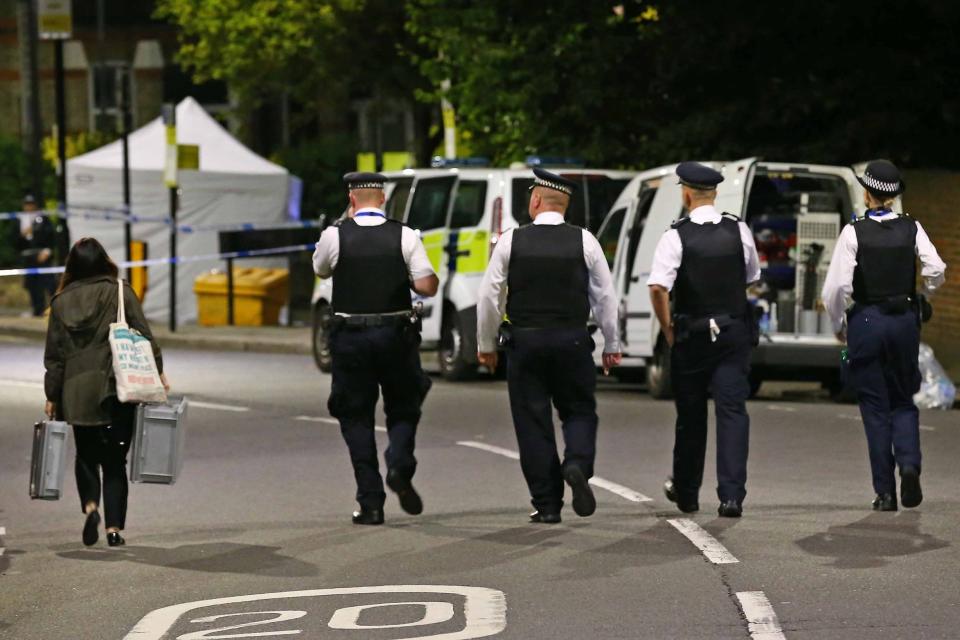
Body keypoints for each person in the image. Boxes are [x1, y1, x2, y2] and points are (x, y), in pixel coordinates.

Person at [477, 168, 622, 524]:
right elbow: (605, 297)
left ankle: (547, 504)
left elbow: (489, 296)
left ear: (536, 200)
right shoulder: (585, 241)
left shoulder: (511, 240)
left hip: (525, 342)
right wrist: (611, 343)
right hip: (572, 339)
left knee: (532, 421)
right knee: (579, 411)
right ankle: (576, 464)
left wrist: (486, 343)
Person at [313, 172, 439, 525]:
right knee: (404, 404)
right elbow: (426, 285)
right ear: (383, 199)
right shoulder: (405, 235)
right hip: (395, 334)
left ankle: (370, 502)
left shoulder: (334, 235)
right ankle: (399, 464)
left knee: (355, 416)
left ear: (352, 200)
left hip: (350, 337)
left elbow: (321, 270)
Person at [821, 160, 946, 512]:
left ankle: (886, 493)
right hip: (904, 319)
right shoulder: (912, 228)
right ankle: (909, 462)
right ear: (892, 196)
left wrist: (838, 326)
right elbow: (936, 267)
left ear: (866, 192)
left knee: (875, 408)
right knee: (903, 399)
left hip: (866, 322)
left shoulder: (853, 232)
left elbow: (836, 289)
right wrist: (925, 294)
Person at [647, 162, 761, 518]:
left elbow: (657, 287)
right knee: (732, 412)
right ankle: (731, 497)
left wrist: (668, 329)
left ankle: (688, 493)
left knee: (691, 416)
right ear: (714, 194)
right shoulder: (738, 230)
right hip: (732, 332)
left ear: (685, 194)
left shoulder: (675, 236)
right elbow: (752, 274)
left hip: (692, 333)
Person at [43, 237, 169, 547]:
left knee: (86, 456)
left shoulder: (60, 302)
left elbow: (55, 356)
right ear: (104, 262)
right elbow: (145, 335)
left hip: (75, 391)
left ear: (72, 266)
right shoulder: (119, 291)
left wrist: (52, 395)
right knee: (115, 460)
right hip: (116, 388)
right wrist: (158, 371)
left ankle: (90, 507)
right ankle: (114, 529)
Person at [18, 195, 57, 316]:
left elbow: (51, 237)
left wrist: (47, 251)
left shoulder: (43, 218)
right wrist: (22, 235)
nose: (29, 207)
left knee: (49, 284)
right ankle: (37, 310)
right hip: (28, 257)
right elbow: (14, 241)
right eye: (26, 204)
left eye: (31, 204)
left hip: (42, 255)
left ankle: (56, 309)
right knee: (32, 285)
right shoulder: (19, 219)